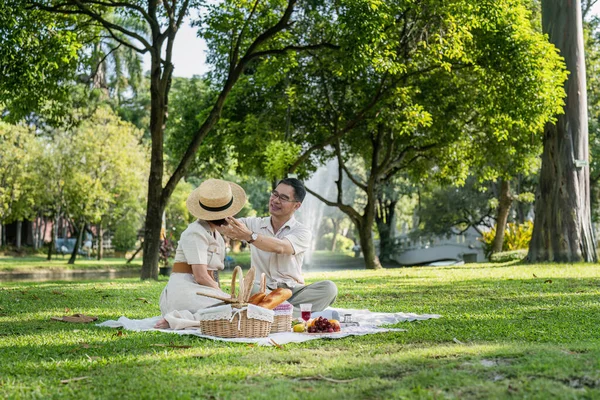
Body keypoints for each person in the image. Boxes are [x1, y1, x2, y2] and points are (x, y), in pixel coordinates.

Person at [220, 178, 337, 316]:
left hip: (293, 291)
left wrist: (250, 236)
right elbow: (223, 225)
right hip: (262, 291)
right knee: (250, 287)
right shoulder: (253, 224)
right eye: (274, 194)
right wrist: (214, 212)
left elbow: (281, 247)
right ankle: (294, 314)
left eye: (283, 198)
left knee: (329, 289)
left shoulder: (302, 231)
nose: (275, 200)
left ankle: (271, 313)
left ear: (296, 206)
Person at [154, 178, 247, 328]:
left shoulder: (215, 234)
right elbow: (201, 276)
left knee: (239, 308)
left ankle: (187, 317)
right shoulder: (195, 232)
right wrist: (224, 296)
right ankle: (178, 318)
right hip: (185, 290)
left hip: (201, 290)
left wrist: (222, 295)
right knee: (233, 309)